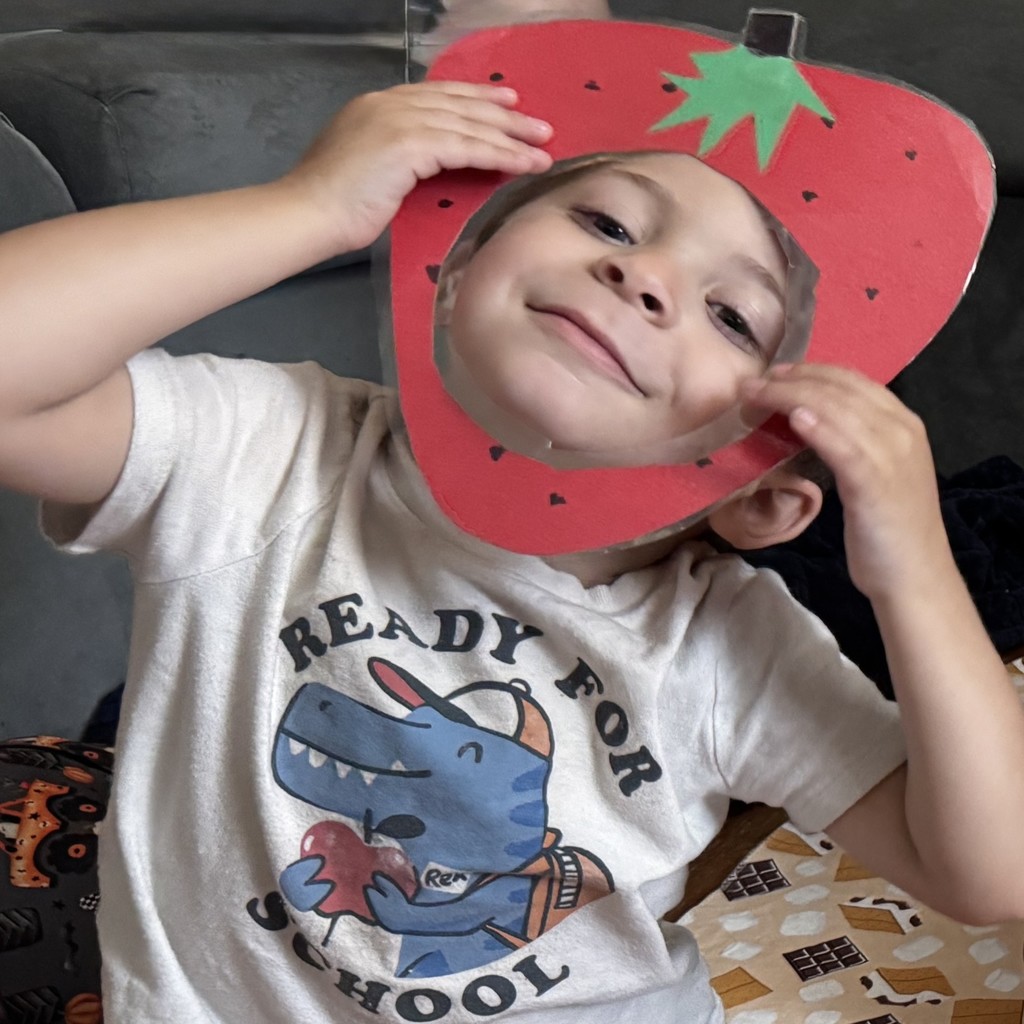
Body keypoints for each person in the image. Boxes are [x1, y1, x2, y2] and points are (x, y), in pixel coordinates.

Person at [0, 81, 1022, 1023]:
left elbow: (991, 870)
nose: (642, 273)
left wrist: (914, 571)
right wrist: (308, 207)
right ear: (453, 265)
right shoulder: (269, 450)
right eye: (605, 221)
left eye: (730, 313)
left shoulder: (724, 646)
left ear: (760, 493)